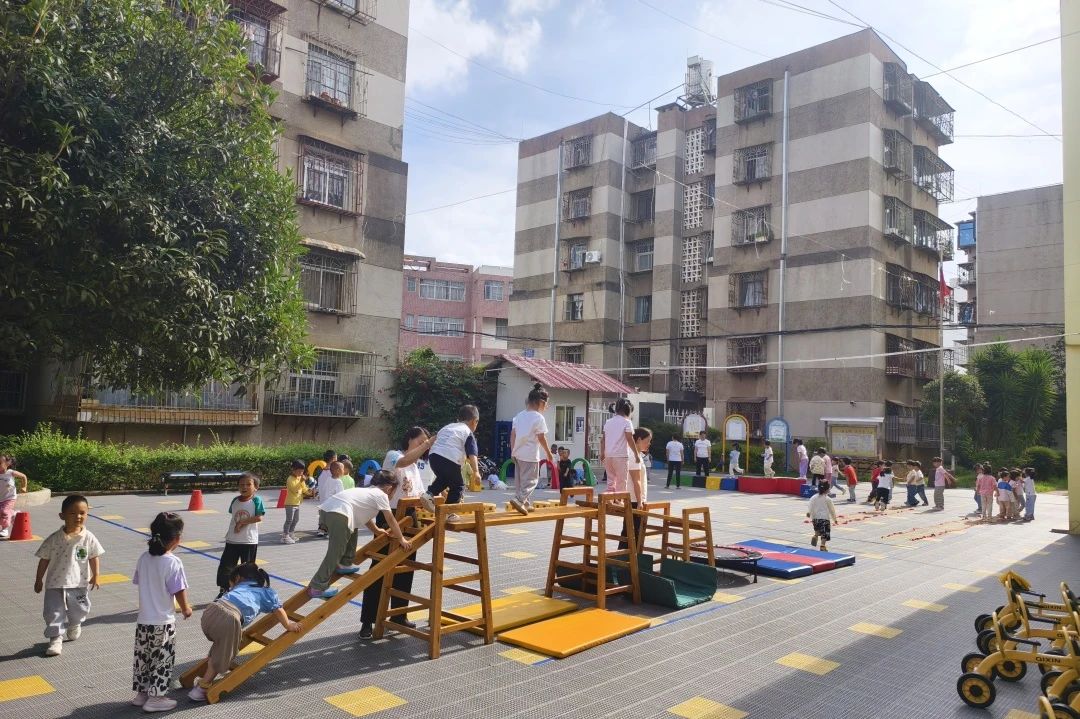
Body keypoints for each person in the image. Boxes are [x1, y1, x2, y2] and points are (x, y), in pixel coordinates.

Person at [359, 427, 437, 639]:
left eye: (425, 443)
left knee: (406, 567)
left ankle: (399, 614)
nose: (423, 446)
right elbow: (402, 463)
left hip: (409, 517)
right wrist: (428, 443)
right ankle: (368, 620)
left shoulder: (416, 467)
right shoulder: (394, 455)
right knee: (379, 567)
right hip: (389, 515)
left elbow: (419, 495)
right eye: (420, 441)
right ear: (410, 439)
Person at [189, 563, 300, 702]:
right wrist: (288, 624)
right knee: (223, 655)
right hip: (229, 617)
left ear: (238, 578)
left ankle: (211, 664)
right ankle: (202, 688)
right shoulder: (265, 591)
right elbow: (278, 609)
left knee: (220, 646)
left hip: (210, 612)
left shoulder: (240, 586)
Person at [308, 472, 412, 599]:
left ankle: (345, 563)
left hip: (328, 510)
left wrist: (376, 530)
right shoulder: (381, 495)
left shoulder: (367, 491)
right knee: (336, 551)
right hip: (340, 513)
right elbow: (390, 519)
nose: (393, 495)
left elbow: (363, 517)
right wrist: (401, 539)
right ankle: (317, 587)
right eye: (394, 492)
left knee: (353, 527)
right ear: (389, 488)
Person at [131, 512, 191, 711]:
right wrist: (186, 608)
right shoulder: (173, 562)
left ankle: (142, 693)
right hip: (163, 622)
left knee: (144, 658)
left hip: (143, 621)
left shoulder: (143, 558)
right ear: (177, 538)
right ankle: (156, 698)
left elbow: (140, 581)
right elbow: (178, 589)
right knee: (162, 659)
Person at [34, 494, 104, 657]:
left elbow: (94, 556)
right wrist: (38, 580)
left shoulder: (88, 537)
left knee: (80, 608)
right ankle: (55, 639)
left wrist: (96, 575)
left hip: (78, 582)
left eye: (82, 513)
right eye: (72, 513)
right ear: (62, 516)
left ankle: (75, 623)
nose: (78, 516)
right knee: (53, 611)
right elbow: (44, 560)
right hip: (55, 583)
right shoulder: (53, 539)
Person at [419, 405, 481, 523]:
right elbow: (472, 454)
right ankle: (449, 512)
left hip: (434, 457)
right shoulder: (467, 432)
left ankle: (429, 494)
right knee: (458, 486)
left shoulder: (447, 427)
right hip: (449, 458)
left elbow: (435, 439)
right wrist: (476, 472)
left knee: (444, 479)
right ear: (474, 421)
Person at [216, 472, 265, 598]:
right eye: (241, 484)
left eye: (248, 484)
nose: (244, 487)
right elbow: (233, 516)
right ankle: (224, 589)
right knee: (226, 566)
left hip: (248, 541)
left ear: (256, 487)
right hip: (232, 540)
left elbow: (259, 517)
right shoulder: (235, 500)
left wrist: (242, 523)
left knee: (247, 568)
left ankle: (246, 592)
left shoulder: (256, 500)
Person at [509, 383, 555, 515]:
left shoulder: (519, 416)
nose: (546, 407)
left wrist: (513, 451)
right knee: (531, 481)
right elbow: (541, 437)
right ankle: (519, 500)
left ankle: (526, 503)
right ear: (541, 402)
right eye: (546, 404)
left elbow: (513, 434)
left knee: (520, 481)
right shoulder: (539, 417)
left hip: (518, 453)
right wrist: (548, 453)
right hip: (530, 454)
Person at [620, 427, 652, 550]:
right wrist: (640, 502)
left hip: (634, 499)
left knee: (630, 532)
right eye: (647, 441)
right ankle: (627, 558)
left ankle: (624, 558)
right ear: (638, 440)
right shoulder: (634, 456)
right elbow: (636, 481)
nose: (649, 444)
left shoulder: (636, 454)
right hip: (634, 500)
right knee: (633, 533)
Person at [601, 399, 636, 494]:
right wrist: (636, 455)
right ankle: (619, 502)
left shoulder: (608, 422)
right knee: (621, 484)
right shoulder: (627, 422)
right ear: (628, 410)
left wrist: (602, 453)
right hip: (621, 456)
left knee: (610, 483)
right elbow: (630, 439)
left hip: (608, 456)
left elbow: (603, 440)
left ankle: (609, 500)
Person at [0, 454, 28, 539]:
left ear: (7, 463)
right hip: (1, 498)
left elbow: (23, 476)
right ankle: (13, 514)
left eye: (0, 463)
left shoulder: (10, 473)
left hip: (10, 498)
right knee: (3, 512)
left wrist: (24, 487)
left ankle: (4, 529)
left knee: (4, 512)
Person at [807, 482, 839, 552]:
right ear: (827, 490)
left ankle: (815, 536)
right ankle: (822, 545)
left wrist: (809, 512)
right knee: (824, 533)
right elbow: (832, 510)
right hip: (824, 519)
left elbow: (810, 505)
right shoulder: (828, 499)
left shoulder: (813, 497)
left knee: (817, 529)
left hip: (815, 518)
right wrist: (835, 519)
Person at [282, 460, 307, 545]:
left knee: (296, 519)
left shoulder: (300, 478)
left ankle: (291, 533)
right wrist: (301, 481)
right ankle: (285, 536)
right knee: (289, 520)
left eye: (302, 471)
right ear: (293, 469)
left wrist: (310, 492)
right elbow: (294, 489)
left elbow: (304, 489)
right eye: (299, 471)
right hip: (290, 503)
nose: (301, 473)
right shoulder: (290, 479)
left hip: (297, 503)